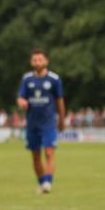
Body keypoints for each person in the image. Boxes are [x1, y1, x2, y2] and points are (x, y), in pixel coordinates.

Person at [16, 48, 65, 194]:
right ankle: (42, 182)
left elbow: (60, 100)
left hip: (48, 122)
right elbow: (20, 97)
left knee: (49, 152)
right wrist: (21, 102)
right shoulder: (27, 79)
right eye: (34, 60)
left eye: (40, 59)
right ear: (31, 62)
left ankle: (48, 182)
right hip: (32, 123)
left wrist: (62, 119)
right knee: (35, 155)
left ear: (46, 61)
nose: (37, 62)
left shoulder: (54, 79)